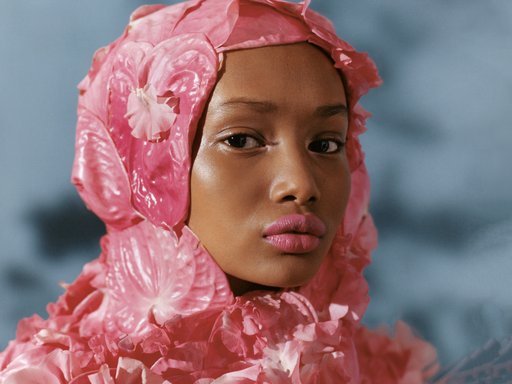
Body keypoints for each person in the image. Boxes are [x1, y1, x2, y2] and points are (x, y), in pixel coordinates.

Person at [0, 0, 439, 382]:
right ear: (144, 163)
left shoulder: (381, 373)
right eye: (242, 140)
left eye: (325, 144)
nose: (301, 185)